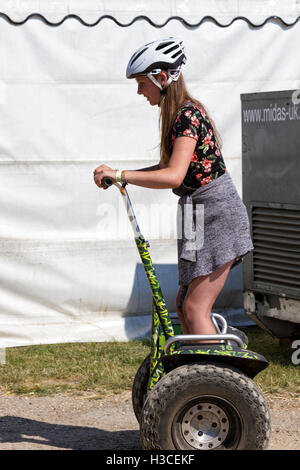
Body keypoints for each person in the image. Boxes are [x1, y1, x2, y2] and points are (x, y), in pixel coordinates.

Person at [94, 38, 254, 341]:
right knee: (182, 305)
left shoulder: (188, 115)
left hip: (217, 211)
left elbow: (173, 176)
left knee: (195, 308)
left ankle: (215, 380)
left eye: (142, 83)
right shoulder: (175, 115)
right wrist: (120, 176)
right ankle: (197, 376)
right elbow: (167, 168)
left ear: (162, 78)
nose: (140, 91)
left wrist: (120, 173)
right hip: (196, 210)